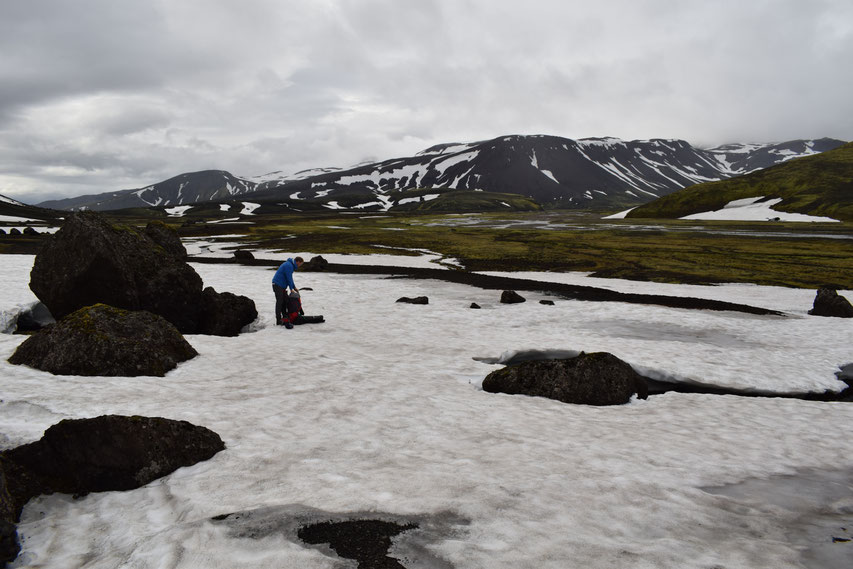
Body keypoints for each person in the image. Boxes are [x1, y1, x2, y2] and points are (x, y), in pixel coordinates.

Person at [272, 256, 303, 327]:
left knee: (285, 301)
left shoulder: (290, 265)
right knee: (280, 301)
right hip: (277, 285)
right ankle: (278, 320)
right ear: (297, 261)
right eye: (300, 264)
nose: (299, 266)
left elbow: (290, 278)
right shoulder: (289, 265)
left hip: (281, 286)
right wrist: (291, 288)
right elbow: (288, 277)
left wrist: (294, 287)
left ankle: (285, 316)